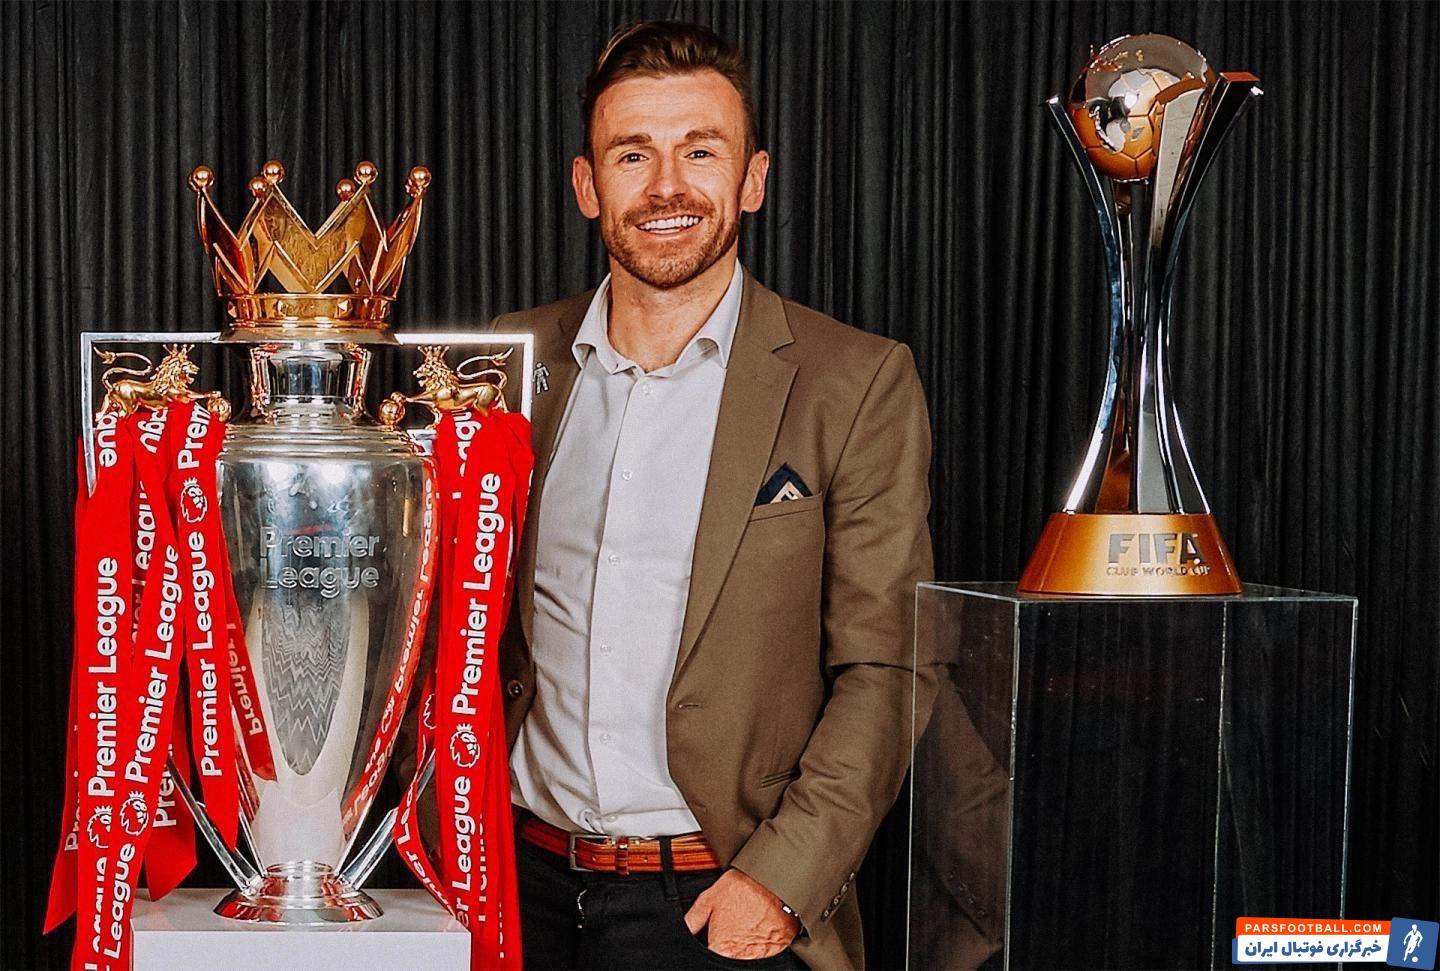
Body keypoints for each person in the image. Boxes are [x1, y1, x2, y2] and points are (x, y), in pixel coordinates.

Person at [410, 20, 936, 970]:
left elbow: (888, 666)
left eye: (700, 151)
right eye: (632, 153)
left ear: (753, 178)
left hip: (715, 899)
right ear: (587, 186)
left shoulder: (852, 382)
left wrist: (781, 878)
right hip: (512, 884)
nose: (665, 187)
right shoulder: (505, 363)